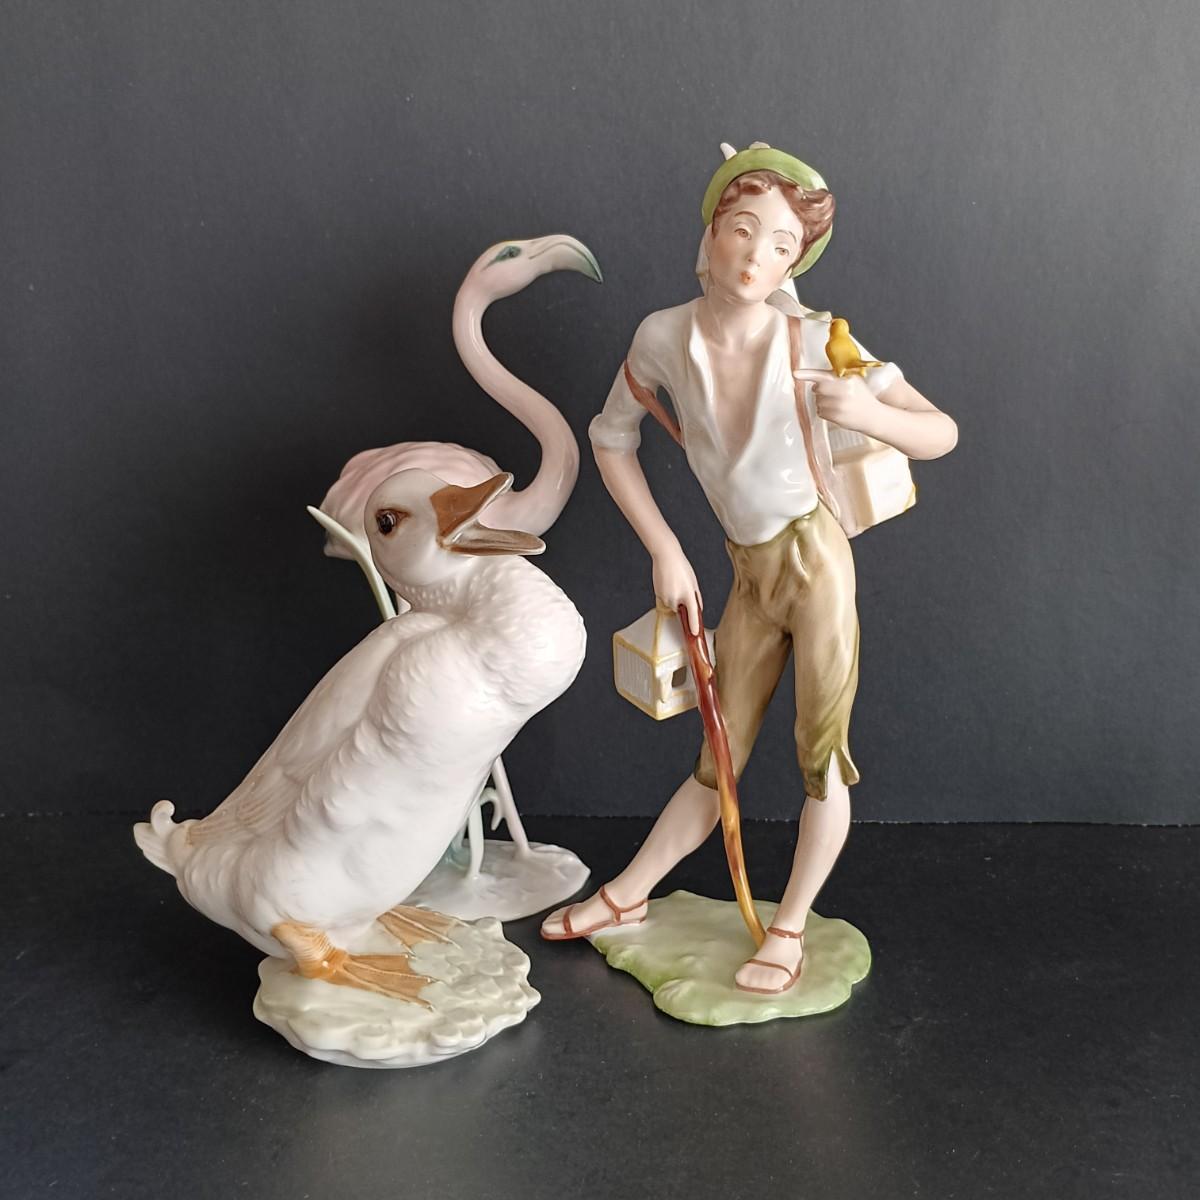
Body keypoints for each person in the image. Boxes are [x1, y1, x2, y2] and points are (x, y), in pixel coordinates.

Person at [541, 143, 958, 993]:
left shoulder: (816, 340)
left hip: (815, 565)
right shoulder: (662, 337)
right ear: (710, 233)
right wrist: (665, 547)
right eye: (742, 229)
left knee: (821, 757)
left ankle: (791, 928)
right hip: (747, 573)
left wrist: (870, 410)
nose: (755, 256)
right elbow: (610, 437)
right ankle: (627, 894)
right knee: (718, 754)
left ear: (796, 262)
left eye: (781, 245)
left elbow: (940, 432)